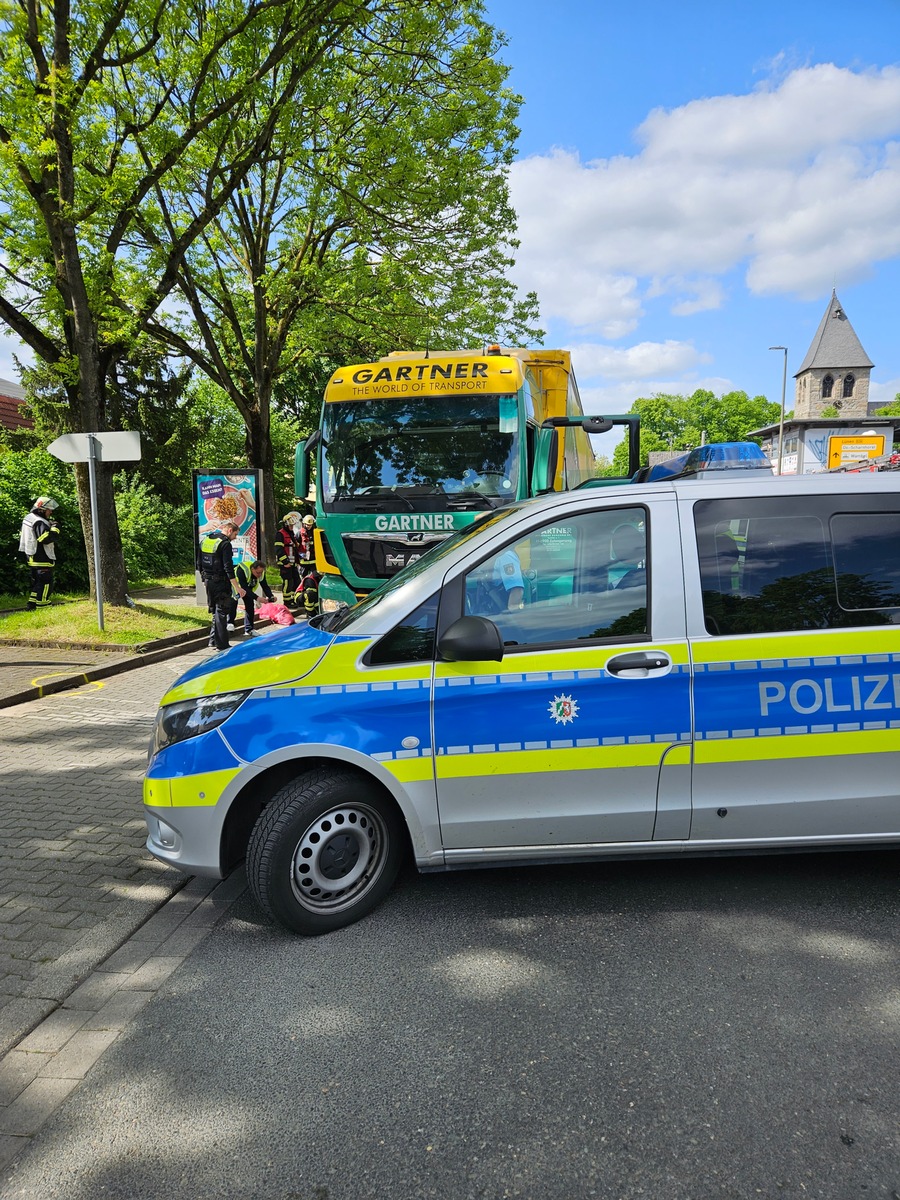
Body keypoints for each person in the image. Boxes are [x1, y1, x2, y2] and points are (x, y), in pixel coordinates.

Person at [199, 521, 243, 651]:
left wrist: (203, 579)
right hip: (221, 582)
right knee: (222, 612)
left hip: (208, 581)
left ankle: (212, 641)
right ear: (230, 531)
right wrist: (237, 587)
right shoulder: (225, 544)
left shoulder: (206, 540)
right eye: (235, 534)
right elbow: (228, 567)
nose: (235, 538)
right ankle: (222, 645)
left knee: (216, 611)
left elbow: (199, 561)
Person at [19, 497, 60, 610]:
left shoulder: (30, 518)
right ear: (41, 509)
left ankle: (31, 605)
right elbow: (44, 539)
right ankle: (44, 607)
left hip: (33, 557)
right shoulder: (39, 521)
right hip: (41, 558)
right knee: (46, 583)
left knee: (37, 583)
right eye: (49, 509)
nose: (51, 512)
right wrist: (55, 529)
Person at [231, 559, 275, 636]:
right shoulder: (243, 569)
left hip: (247, 589)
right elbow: (244, 586)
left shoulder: (261, 573)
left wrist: (271, 596)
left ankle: (249, 629)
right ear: (252, 569)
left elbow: (264, 585)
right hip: (235, 587)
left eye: (261, 572)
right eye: (258, 573)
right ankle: (230, 622)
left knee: (250, 606)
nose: (259, 575)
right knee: (233, 603)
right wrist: (257, 598)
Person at [276, 512, 302, 607]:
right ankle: (287, 602)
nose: (292, 527)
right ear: (286, 525)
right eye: (290, 525)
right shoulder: (280, 534)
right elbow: (279, 550)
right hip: (285, 564)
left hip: (293, 563)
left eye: (292, 525)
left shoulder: (291, 534)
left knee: (296, 582)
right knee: (288, 582)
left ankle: (293, 600)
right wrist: (285, 562)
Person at [297, 514, 320, 616]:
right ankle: (307, 605)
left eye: (310, 525)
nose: (308, 526)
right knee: (306, 583)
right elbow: (295, 547)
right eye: (307, 525)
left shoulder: (315, 533)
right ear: (304, 524)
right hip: (303, 563)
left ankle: (314, 605)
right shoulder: (299, 534)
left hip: (314, 562)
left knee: (315, 583)